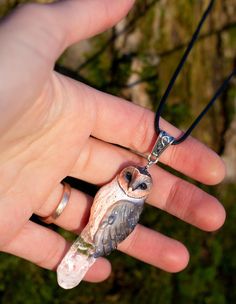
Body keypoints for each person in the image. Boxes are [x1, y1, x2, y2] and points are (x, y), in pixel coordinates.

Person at [0, 0, 226, 284]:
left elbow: (113, 225)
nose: (133, 183)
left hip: (101, 227)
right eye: (134, 180)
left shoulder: (132, 202)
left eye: (137, 185)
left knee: (103, 232)